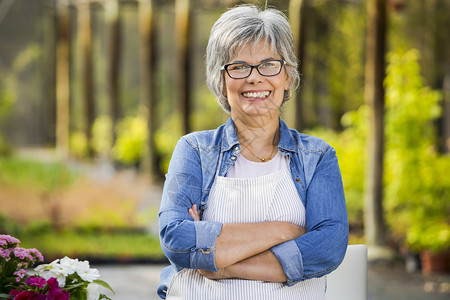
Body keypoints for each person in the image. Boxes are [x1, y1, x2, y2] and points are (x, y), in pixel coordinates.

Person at [157, 4, 348, 300]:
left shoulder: (317, 156)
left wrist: (223, 263)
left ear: (287, 77)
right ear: (221, 81)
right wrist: (284, 230)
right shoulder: (194, 150)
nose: (255, 78)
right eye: (238, 66)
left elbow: (328, 249)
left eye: (269, 64)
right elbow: (177, 240)